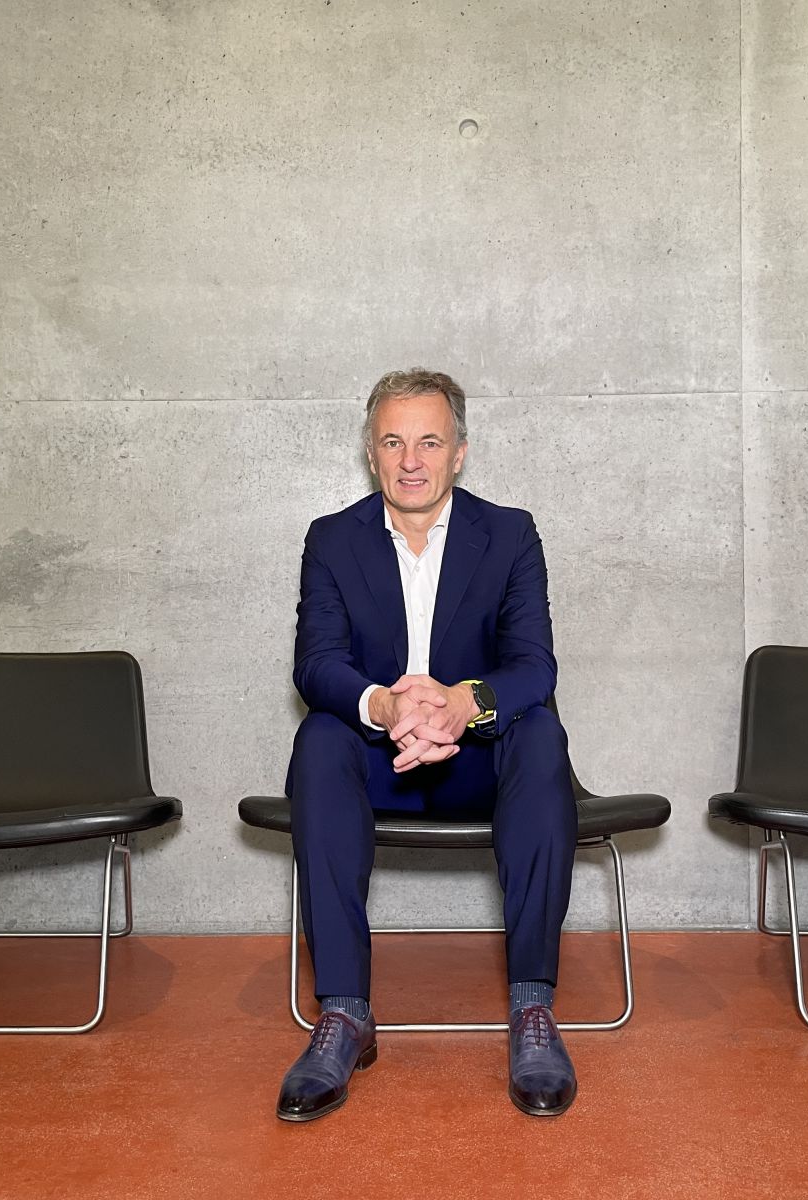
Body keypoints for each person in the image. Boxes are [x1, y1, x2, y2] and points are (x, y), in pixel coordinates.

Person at [276, 367, 578, 1122]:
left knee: (540, 732)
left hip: (478, 763)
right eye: (393, 441)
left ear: (460, 452)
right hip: (377, 762)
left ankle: (533, 1011)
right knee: (319, 736)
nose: (411, 459)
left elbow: (532, 664)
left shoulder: (509, 533)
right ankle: (345, 1014)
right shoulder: (331, 539)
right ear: (372, 455)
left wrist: (459, 705)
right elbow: (317, 664)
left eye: (429, 441)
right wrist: (384, 704)